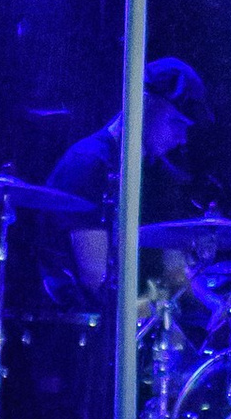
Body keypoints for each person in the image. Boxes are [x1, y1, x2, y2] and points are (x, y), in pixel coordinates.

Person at [42, 60, 216, 304]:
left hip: (136, 313)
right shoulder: (88, 164)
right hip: (81, 320)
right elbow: (96, 279)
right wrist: (154, 310)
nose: (183, 138)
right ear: (143, 103)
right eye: (176, 122)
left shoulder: (157, 173)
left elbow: (174, 270)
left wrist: (215, 305)